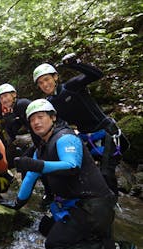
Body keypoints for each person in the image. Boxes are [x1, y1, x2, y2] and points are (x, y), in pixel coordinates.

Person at [0, 99, 137, 249]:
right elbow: (30, 178)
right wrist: (17, 204)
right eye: (32, 119)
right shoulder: (41, 148)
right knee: (44, 228)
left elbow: (72, 166)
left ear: (53, 118)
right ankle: (89, 239)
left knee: (54, 246)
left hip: (94, 206)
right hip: (71, 203)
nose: (36, 122)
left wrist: (38, 165)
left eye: (41, 117)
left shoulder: (66, 138)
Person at [32, 54, 129, 196]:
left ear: (55, 77)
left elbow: (96, 74)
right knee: (83, 173)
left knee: (106, 173)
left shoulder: (71, 87)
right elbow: (55, 124)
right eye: (40, 83)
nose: (45, 84)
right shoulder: (49, 103)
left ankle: (111, 206)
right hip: (85, 138)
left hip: (107, 132)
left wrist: (75, 63)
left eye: (47, 79)